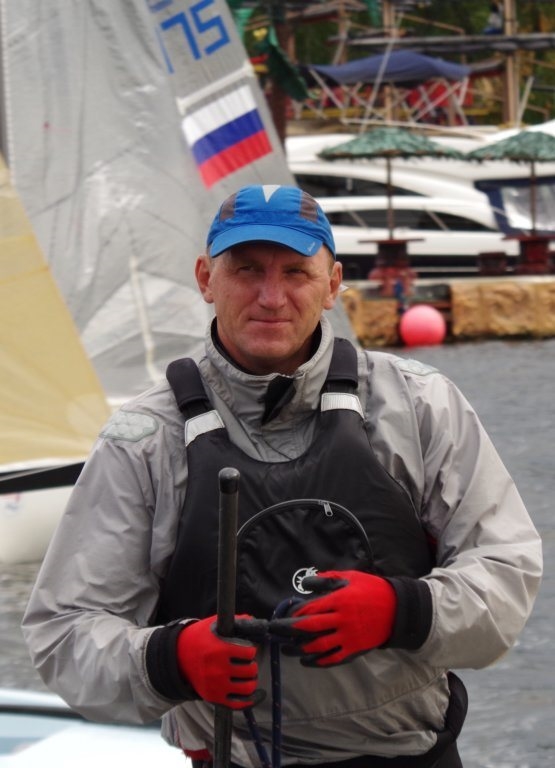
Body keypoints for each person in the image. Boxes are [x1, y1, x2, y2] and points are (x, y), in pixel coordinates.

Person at [22, 184, 542, 768]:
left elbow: (507, 572)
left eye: (296, 272)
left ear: (332, 284)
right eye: (246, 270)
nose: (271, 297)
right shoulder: (143, 440)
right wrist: (171, 658)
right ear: (206, 279)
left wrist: (403, 609)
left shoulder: (421, 404)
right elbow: (64, 633)